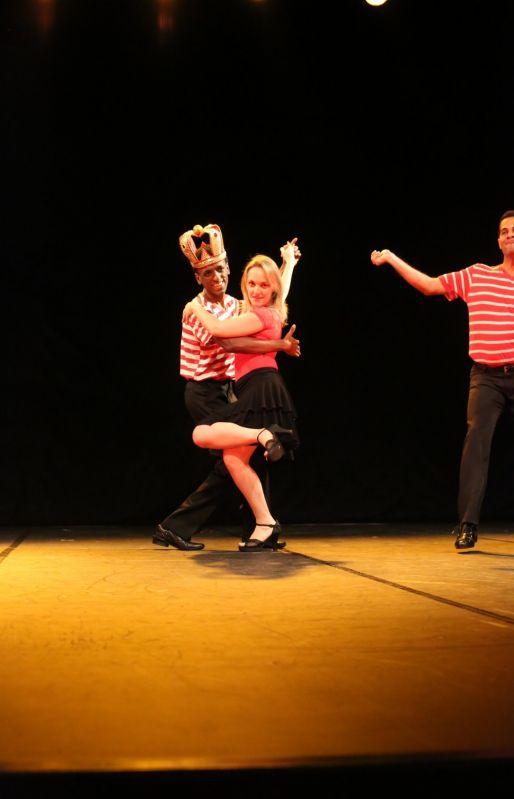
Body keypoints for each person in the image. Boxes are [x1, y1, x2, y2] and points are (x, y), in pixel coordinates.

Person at [371, 209, 514, 550]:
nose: (510, 234)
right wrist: (391, 258)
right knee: (475, 445)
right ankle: (467, 524)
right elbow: (429, 285)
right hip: (487, 377)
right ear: (498, 240)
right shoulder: (478, 275)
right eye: (505, 231)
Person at [153, 223, 301, 551]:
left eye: (219, 270)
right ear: (198, 278)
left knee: (245, 456)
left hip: (229, 390)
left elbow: (272, 299)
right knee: (234, 457)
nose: (216, 277)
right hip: (203, 391)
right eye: (207, 274)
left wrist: (287, 264)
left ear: (228, 269)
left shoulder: (235, 305)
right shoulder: (197, 310)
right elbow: (232, 343)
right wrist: (278, 344)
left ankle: (258, 528)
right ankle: (182, 526)